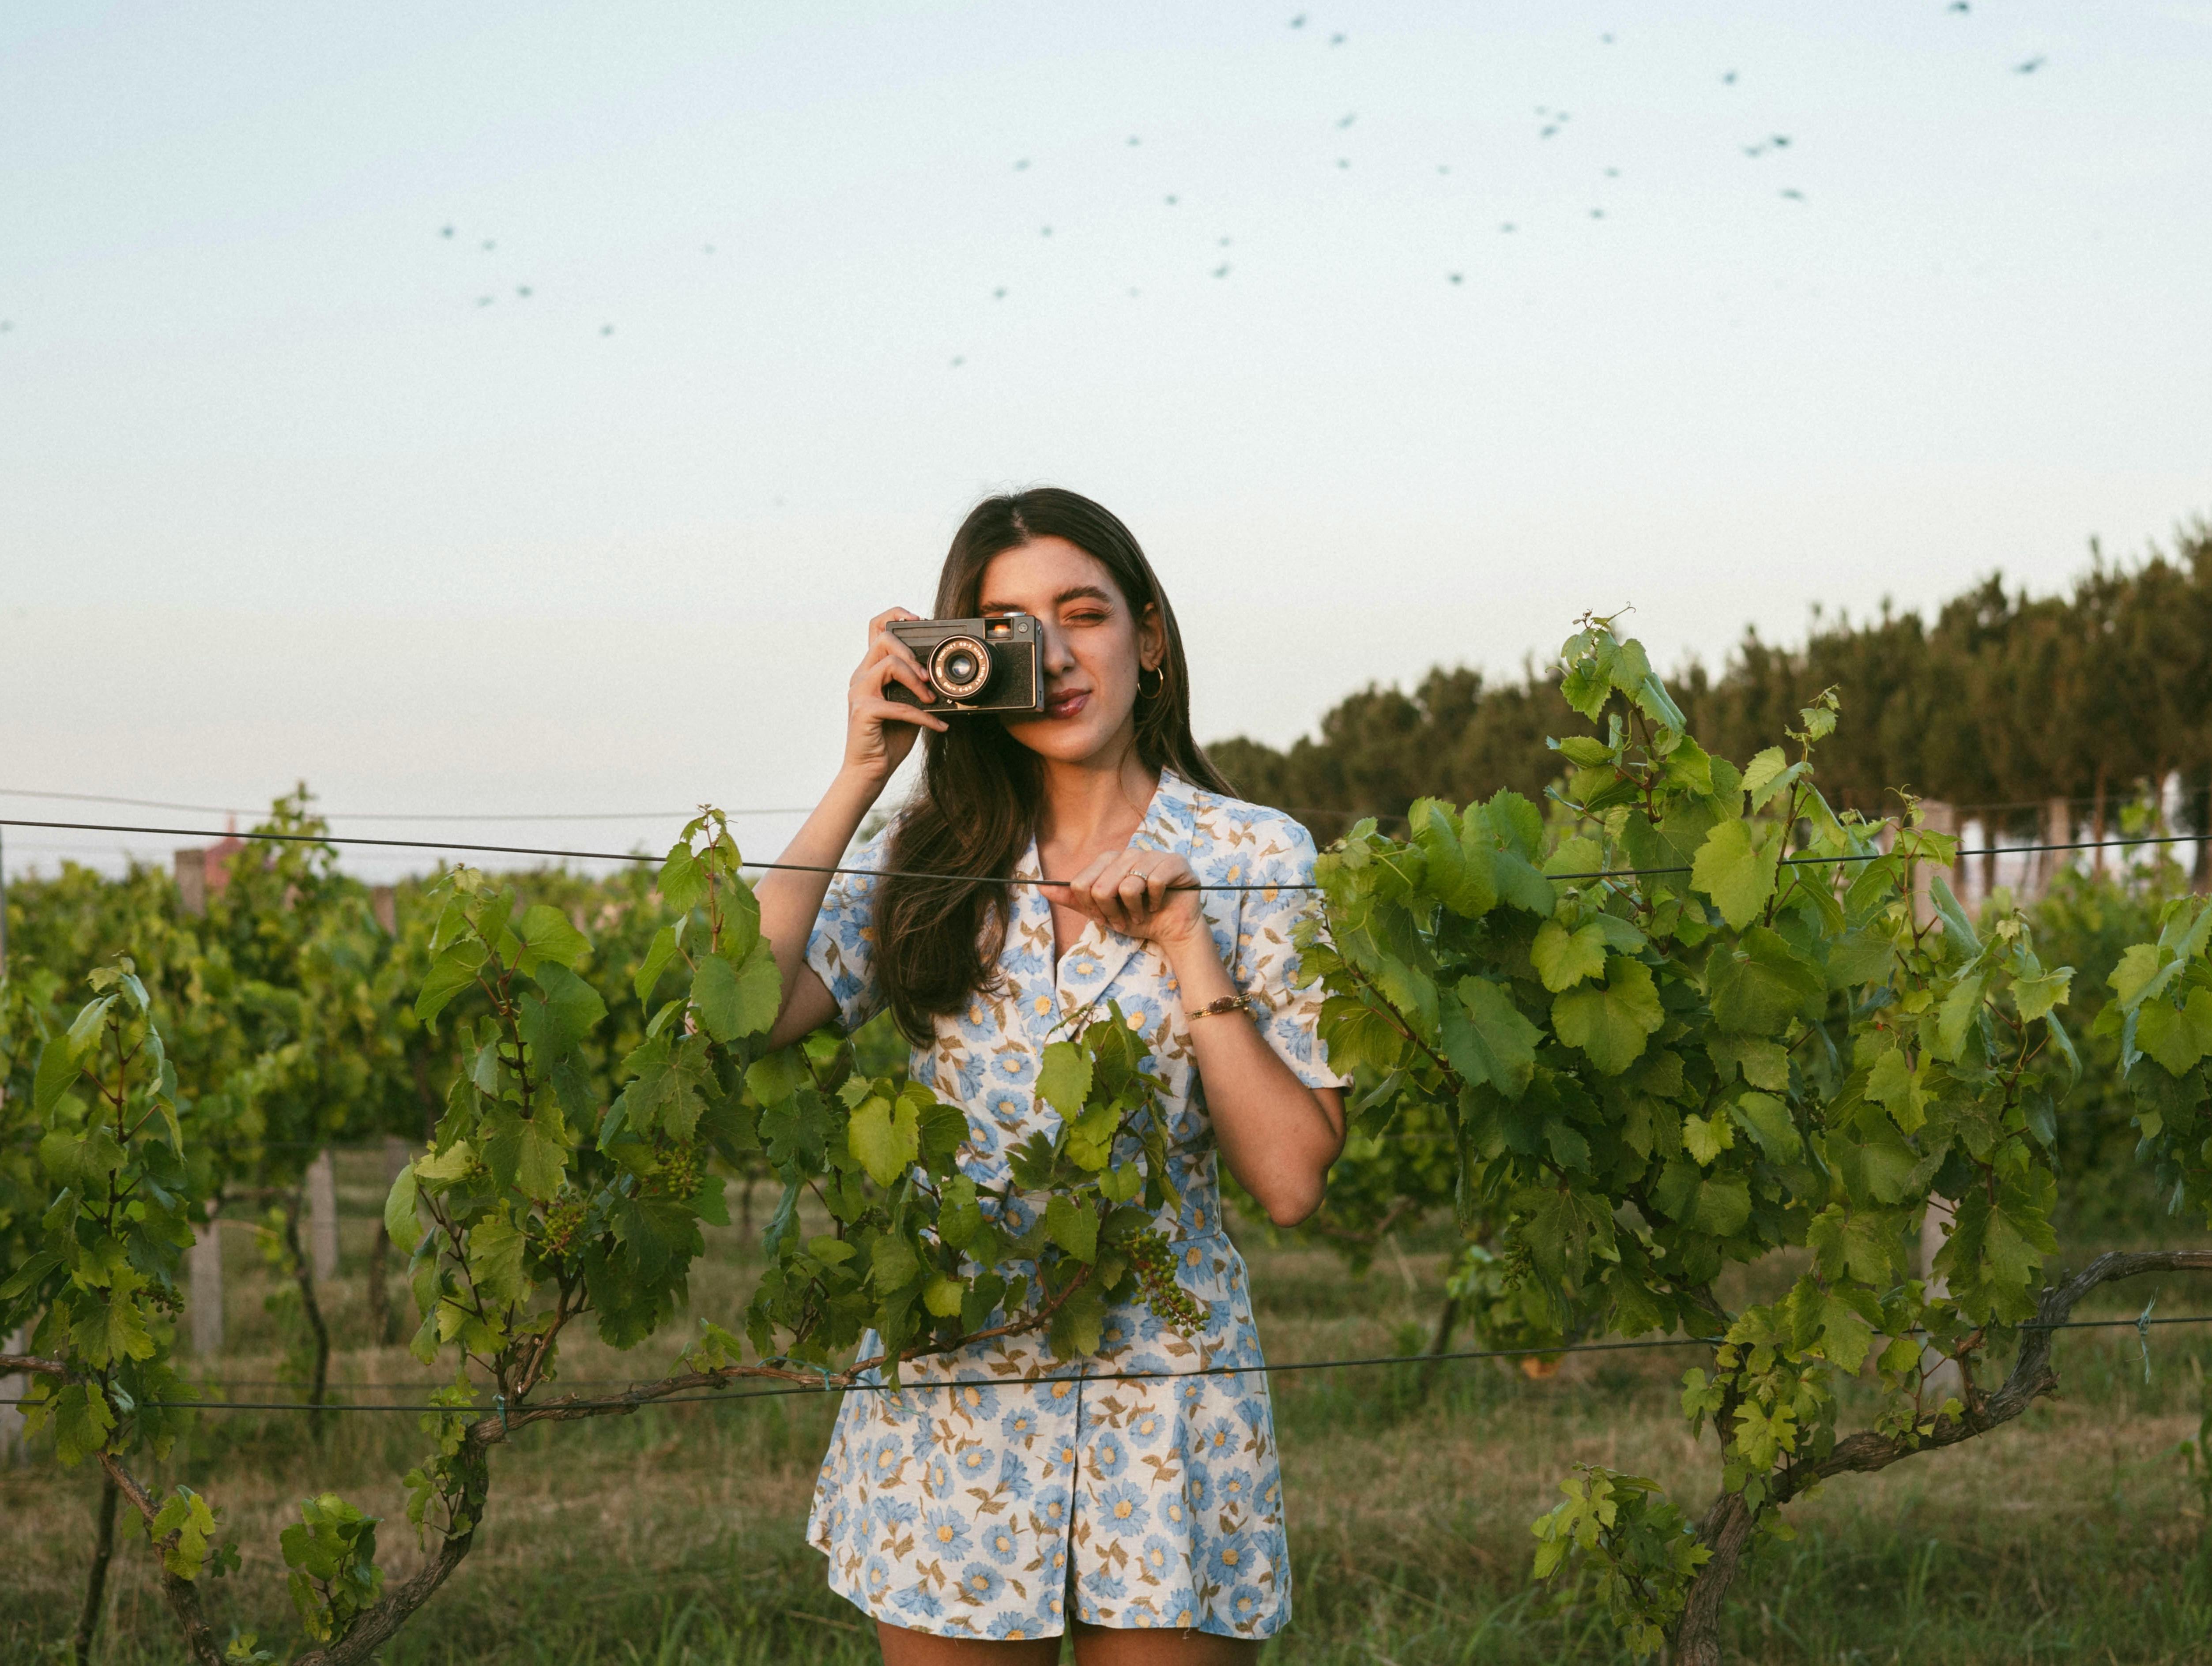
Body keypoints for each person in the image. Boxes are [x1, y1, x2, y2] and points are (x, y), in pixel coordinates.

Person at [756, 487, 1347, 1663]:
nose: (1057, 656)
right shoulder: (922, 860)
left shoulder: (1251, 853)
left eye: (1083, 614)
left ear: (1150, 636)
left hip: (1166, 1391)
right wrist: (860, 772)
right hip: (952, 1393)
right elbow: (744, 1012)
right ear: (963, 658)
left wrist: (1188, 946)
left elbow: (1287, 1181)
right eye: (1013, 628)